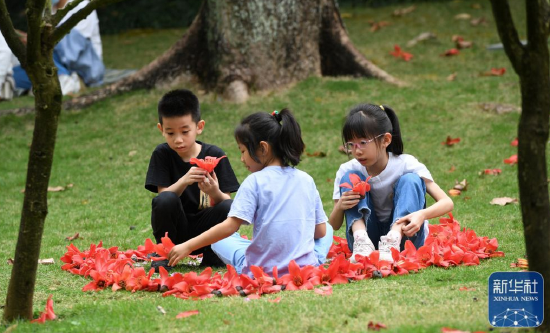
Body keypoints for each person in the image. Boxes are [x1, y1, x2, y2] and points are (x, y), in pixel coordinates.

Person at [167, 109, 334, 276]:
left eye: (243, 151)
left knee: (220, 242)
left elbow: (230, 227)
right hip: (304, 268)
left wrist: (188, 245)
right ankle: (309, 259)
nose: (241, 158)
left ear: (263, 148)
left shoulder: (255, 181)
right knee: (327, 226)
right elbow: (320, 232)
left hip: (261, 270)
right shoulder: (306, 179)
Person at [329, 104, 453, 263]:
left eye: (363, 142)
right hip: (366, 240)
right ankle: (361, 241)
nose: (357, 151)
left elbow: (447, 202)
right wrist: (340, 206)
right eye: (351, 145)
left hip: (405, 237)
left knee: (411, 180)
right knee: (351, 177)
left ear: (385, 140)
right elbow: (334, 224)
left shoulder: (406, 164)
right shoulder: (347, 169)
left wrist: (422, 215)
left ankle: (393, 239)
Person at [145, 89, 240, 271]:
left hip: (208, 232)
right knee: (166, 199)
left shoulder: (215, 154)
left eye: (185, 131)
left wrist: (214, 192)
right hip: (176, 230)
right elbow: (163, 198)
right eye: (170, 133)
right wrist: (184, 180)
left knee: (228, 206)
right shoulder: (162, 154)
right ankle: (163, 253)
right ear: (161, 130)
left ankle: (214, 255)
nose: (178, 140)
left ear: (199, 127)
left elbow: (228, 205)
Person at [13, 0, 104, 95]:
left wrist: (38, 42)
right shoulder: (47, 9)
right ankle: (57, 81)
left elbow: (74, 51)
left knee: (64, 43)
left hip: (81, 66)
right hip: (50, 61)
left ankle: (66, 81)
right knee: (15, 75)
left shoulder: (82, 5)